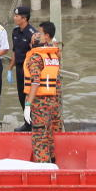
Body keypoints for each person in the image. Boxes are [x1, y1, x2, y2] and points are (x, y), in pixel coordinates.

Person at [23, 22, 62, 163]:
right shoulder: (53, 54)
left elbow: (35, 82)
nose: (34, 35)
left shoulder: (36, 58)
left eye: (38, 34)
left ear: (46, 36)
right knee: (49, 133)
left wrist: (28, 104)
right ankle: (52, 160)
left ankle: (43, 168)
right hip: (52, 101)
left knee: (39, 137)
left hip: (40, 102)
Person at [7, 6, 38, 132]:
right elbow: (15, 52)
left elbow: (37, 53)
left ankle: (35, 123)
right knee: (21, 96)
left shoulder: (32, 34)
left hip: (30, 70)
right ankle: (28, 123)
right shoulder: (15, 32)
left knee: (30, 97)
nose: (14, 18)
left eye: (17, 16)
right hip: (19, 69)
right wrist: (10, 69)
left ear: (24, 18)